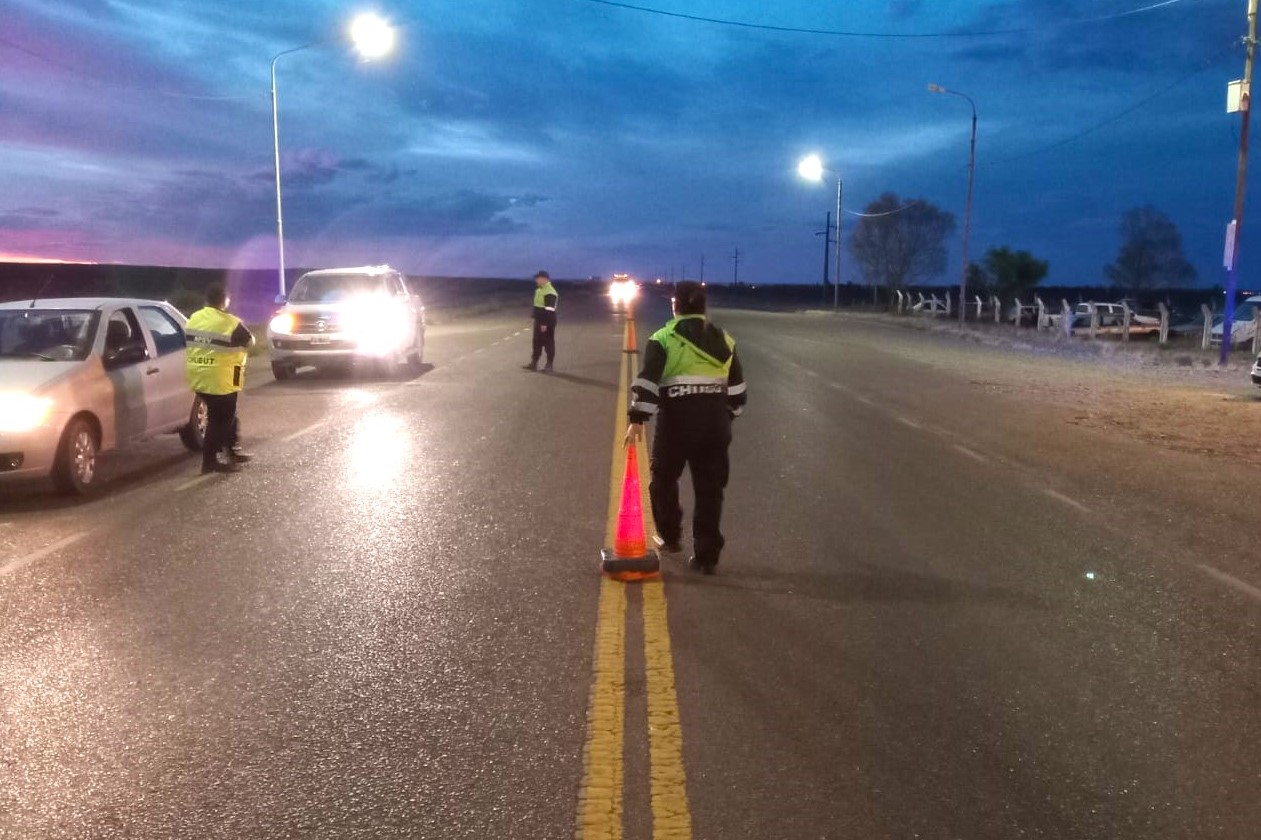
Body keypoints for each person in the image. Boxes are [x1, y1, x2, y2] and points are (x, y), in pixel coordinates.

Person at [624, 281, 746, 574]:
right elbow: (737, 391)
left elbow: (648, 382)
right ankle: (707, 557)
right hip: (714, 425)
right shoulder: (725, 340)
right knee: (710, 490)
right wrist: (725, 417)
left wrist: (637, 419)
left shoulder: (663, 338)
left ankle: (670, 536)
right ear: (703, 307)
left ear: (675, 306)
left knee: (663, 480)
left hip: (676, 424)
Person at [185, 283, 255, 474]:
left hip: (199, 375)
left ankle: (232, 450)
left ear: (207, 300)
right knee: (220, 420)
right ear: (225, 300)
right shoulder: (230, 322)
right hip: (221, 378)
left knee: (227, 414)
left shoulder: (193, 318)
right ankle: (209, 462)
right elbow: (250, 342)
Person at [523, 269, 558, 372]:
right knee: (536, 343)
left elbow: (549, 310)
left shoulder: (550, 292)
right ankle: (534, 363)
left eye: (537, 278)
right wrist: (534, 316)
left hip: (547, 322)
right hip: (539, 321)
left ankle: (549, 365)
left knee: (548, 343)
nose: (536, 280)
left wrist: (544, 324)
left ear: (544, 279)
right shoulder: (539, 290)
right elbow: (538, 305)